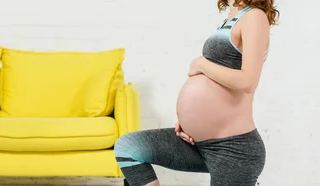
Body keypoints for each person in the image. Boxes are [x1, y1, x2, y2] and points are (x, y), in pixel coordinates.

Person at [114, 0, 279, 185]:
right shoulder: (232, 17)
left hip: (233, 148)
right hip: (196, 143)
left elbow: (248, 81)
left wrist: (202, 64)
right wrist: (190, 122)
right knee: (129, 148)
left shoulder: (254, 16)